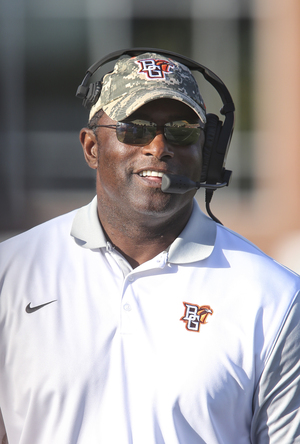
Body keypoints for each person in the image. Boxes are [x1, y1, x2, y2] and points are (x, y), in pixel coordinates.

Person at [0, 50, 299, 444]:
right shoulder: (12, 272)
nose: (159, 147)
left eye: (181, 130)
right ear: (92, 147)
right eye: (135, 129)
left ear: (206, 153)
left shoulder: (274, 297)